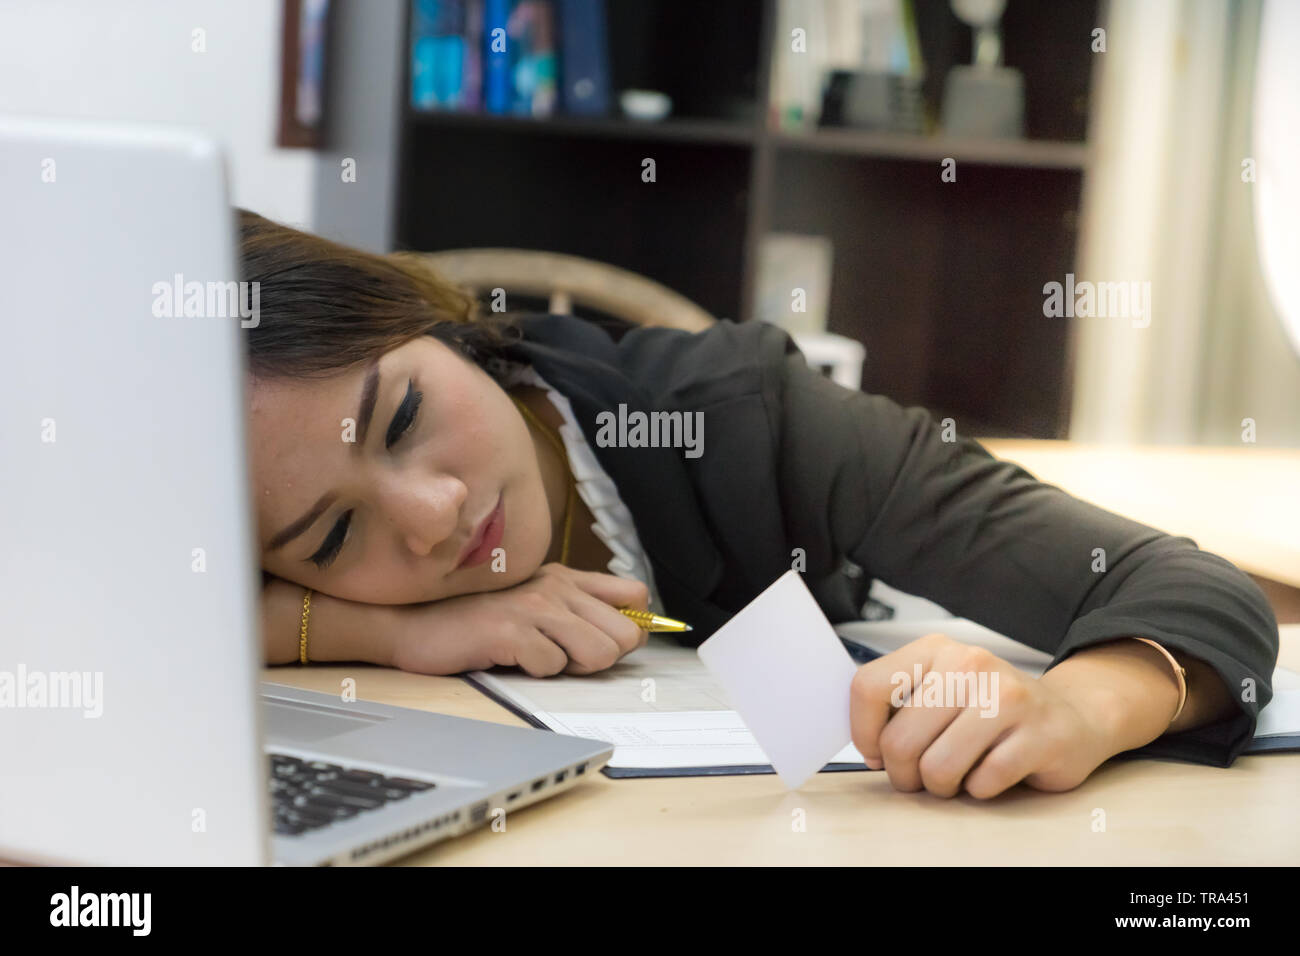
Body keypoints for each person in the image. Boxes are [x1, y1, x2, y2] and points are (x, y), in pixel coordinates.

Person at [241, 209, 1279, 799]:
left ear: (435, 320)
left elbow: (1191, 593)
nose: (431, 515)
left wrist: (1075, 706)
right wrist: (377, 629)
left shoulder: (749, 416)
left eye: (405, 415)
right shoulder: (270, 538)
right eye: (332, 534)